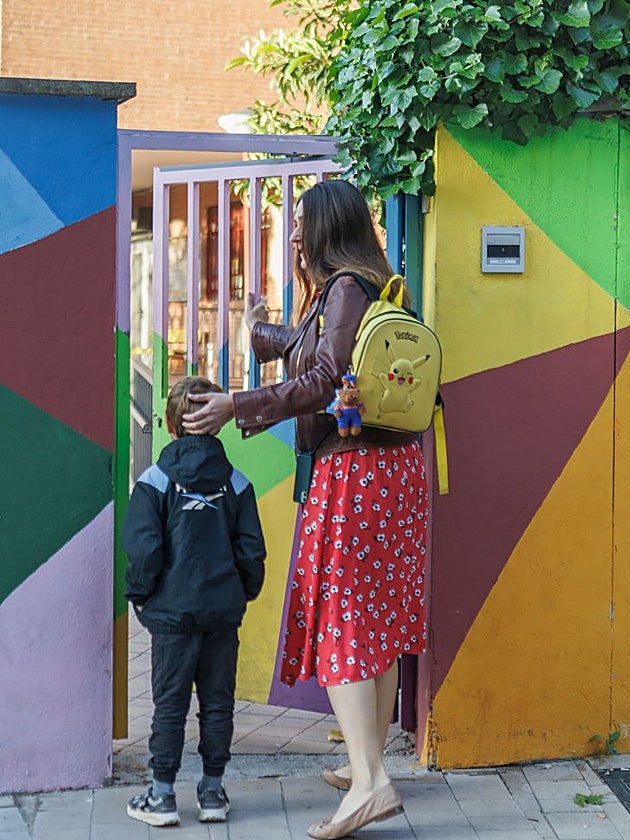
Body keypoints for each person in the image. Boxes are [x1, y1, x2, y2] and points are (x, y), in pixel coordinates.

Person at [180, 180, 429, 839]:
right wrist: (266, 336)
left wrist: (239, 402)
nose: (293, 234)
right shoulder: (373, 286)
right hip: (395, 467)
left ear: (326, 229)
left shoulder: (344, 288)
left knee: (343, 620)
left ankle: (371, 783)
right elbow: (321, 352)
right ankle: (365, 761)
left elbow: (322, 380)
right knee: (372, 617)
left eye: (300, 224)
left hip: (355, 474)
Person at [122, 375, 267, 828]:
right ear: (217, 424)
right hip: (222, 613)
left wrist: (140, 595)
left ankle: (162, 796)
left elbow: (145, 549)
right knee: (218, 702)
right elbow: (252, 552)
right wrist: (240, 593)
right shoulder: (238, 484)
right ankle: (212, 791)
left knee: (169, 703)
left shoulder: (153, 482)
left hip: (171, 614)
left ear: (169, 423)